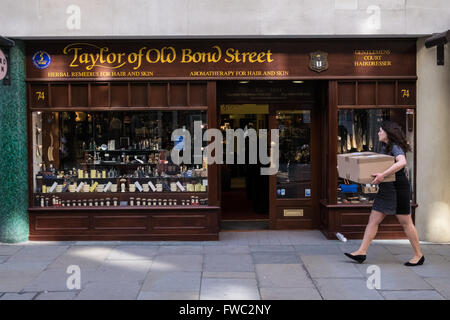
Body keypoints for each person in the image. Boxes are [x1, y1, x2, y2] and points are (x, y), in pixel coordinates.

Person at [344, 120, 424, 266]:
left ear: (388, 133)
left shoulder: (395, 147)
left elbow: (402, 162)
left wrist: (382, 175)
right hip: (386, 189)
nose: (378, 133)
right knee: (373, 220)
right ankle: (361, 251)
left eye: (381, 130)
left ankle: (419, 255)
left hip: (398, 188)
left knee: (406, 223)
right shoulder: (385, 147)